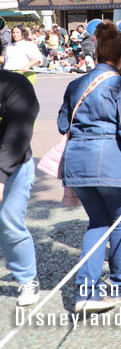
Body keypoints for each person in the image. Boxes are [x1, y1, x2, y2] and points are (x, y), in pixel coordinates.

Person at [58, 21, 121, 315]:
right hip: (112, 161)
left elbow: (63, 124)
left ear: (96, 52)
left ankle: (87, 291)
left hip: (78, 162)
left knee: (98, 222)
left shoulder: (74, 85)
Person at [0, 67, 41, 306]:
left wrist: (2, 175)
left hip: (13, 165)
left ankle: (27, 279)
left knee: (8, 224)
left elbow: (19, 132)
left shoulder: (17, 84)